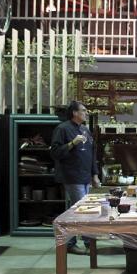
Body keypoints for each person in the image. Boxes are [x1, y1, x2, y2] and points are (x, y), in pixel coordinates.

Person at [50, 100, 100, 254]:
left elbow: (92, 154)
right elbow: (55, 152)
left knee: (74, 210)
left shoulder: (85, 130)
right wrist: (72, 143)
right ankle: (88, 243)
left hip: (85, 176)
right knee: (83, 210)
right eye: (83, 110)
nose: (86, 113)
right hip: (72, 176)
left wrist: (95, 175)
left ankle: (70, 243)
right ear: (75, 113)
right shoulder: (62, 129)